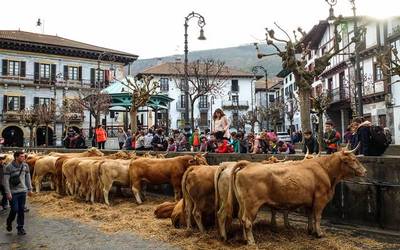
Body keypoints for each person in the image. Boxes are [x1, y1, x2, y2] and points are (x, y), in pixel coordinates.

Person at [3, 151, 33, 235]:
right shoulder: (9, 167)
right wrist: (8, 193)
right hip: (13, 192)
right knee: (14, 209)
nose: (23, 158)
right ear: (16, 157)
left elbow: (28, 178)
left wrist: (30, 189)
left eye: (24, 156)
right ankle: (9, 221)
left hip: (22, 191)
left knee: (21, 210)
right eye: (21, 156)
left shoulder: (25, 166)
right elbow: (5, 181)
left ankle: (20, 228)